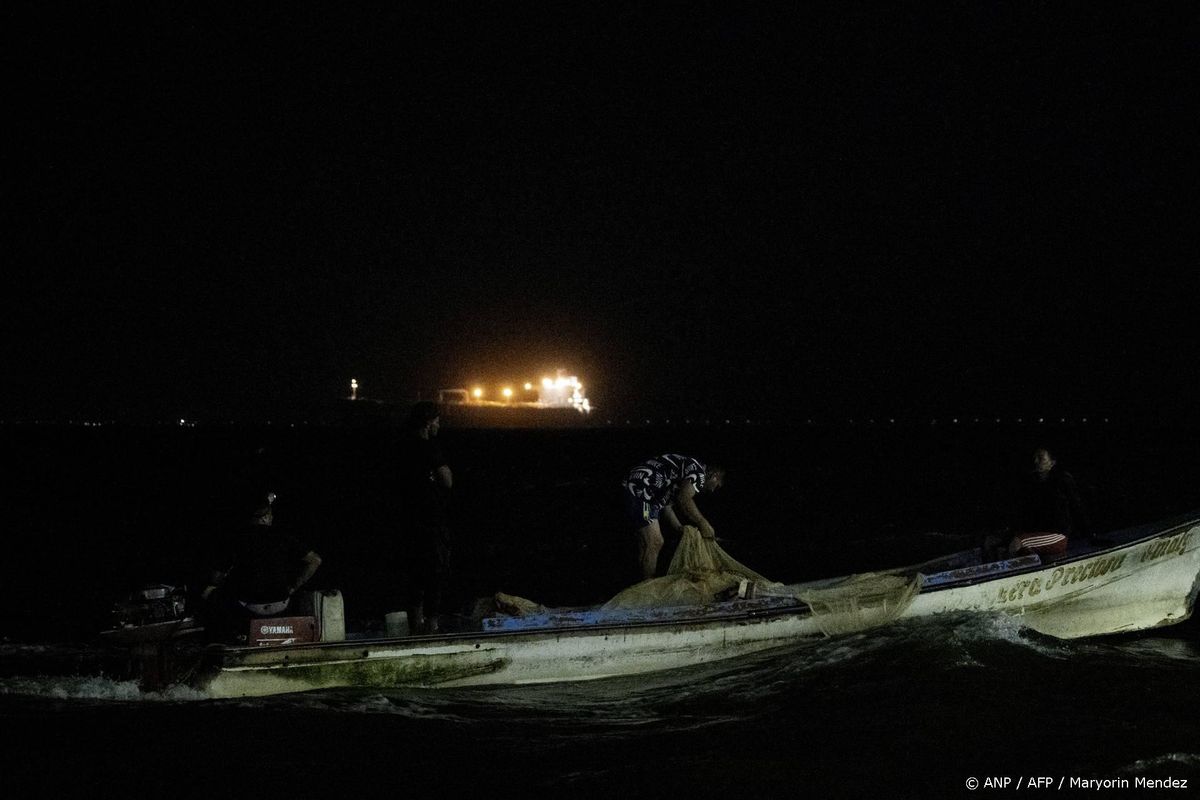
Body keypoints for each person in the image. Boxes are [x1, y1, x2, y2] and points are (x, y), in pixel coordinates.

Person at [200, 492, 322, 641]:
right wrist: (293, 587)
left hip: (248, 608)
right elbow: (315, 560)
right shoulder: (282, 536)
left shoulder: (236, 538)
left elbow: (215, 578)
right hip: (282, 605)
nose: (272, 518)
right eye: (271, 515)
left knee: (209, 593)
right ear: (264, 517)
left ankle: (220, 641)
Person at [621, 454, 726, 581]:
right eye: (717, 485)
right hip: (641, 487)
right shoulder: (698, 472)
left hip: (648, 495)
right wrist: (703, 523)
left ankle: (642, 583)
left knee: (645, 545)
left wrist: (680, 528)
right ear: (714, 476)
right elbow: (685, 500)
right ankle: (648, 588)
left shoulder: (675, 481)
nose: (713, 490)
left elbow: (666, 507)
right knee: (655, 542)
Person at [400, 400, 453, 634]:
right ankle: (432, 626)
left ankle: (415, 624)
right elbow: (447, 480)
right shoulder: (429, 448)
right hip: (430, 521)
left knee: (414, 575)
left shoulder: (402, 446)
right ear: (429, 423)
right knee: (435, 573)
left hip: (408, 519)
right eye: (438, 422)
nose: (439, 426)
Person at [1008, 447, 1091, 558]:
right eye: (1035, 458)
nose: (1036, 461)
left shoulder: (1062, 479)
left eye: (1041, 458)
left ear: (1052, 462)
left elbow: (1076, 506)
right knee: (1004, 541)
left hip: (1058, 534)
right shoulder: (1032, 483)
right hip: (1042, 533)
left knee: (1019, 543)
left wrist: (1089, 534)